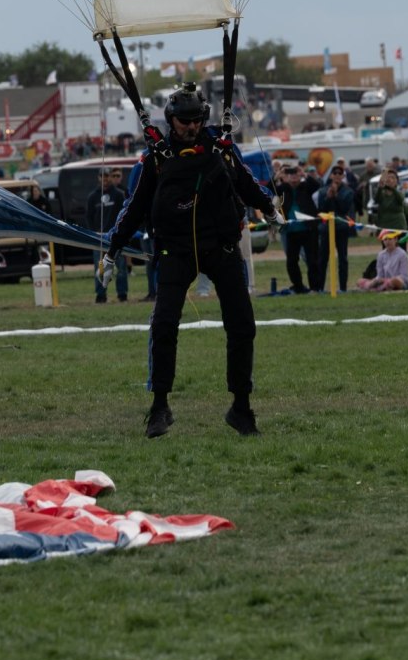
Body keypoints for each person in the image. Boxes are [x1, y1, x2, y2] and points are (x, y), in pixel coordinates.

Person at [103, 83, 273, 439]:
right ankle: (159, 407)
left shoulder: (222, 149)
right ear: (171, 121)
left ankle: (241, 407)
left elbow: (245, 183)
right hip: (175, 250)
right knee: (164, 325)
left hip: (222, 247)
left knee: (242, 324)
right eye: (184, 121)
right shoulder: (156, 158)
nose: (191, 127)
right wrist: (112, 249)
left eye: (196, 120)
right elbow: (134, 207)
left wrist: (269, 208)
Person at [273, 162, 322, 294]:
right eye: (290, 173)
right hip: (291, 231)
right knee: (291, 262)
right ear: (286, 176)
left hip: (308, 229)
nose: (293, 176)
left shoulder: (305, 186)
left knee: (312, 260)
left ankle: (315, 288)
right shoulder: (283, 188)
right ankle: (299, 287)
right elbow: (269, 191)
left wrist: (304, 174)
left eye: (295, 173)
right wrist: (276, 177)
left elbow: (317, 185)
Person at [312, 163, 358, 292]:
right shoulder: (323, 190)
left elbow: (344, 208)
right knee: (323, 258)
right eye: (335, 173)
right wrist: (328, 197)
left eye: (340, 174)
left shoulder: (348, 191)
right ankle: (320, 287)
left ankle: (343, 287)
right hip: (326, 228)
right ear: (331, 175)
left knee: (342, 258)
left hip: (341, 228)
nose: (337, 175)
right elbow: (321, 209)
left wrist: (336, 196)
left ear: (343, 176)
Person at [86, 168, 130, 302]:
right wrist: (93, 232)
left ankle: (122, 294)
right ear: (98, 178)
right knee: (99, 267)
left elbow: (124, 214)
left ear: (110, 177)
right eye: (102, 176)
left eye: (107, 176)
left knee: (120, 267)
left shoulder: (119, 195)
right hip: (98, 237)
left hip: (115, 237)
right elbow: (89, 217)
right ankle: (101, 295)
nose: (104, 179)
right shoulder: (92, 196)